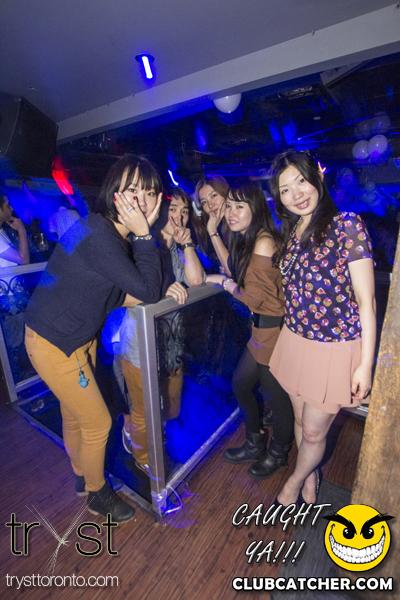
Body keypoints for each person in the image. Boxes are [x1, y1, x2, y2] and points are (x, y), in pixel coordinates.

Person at [24, 154, 163, 523]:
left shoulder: (104, 231)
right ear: (114, 193)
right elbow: (147, 290)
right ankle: (98, 493)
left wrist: (156, 287)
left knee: (74, 415)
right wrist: (145, 235)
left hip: (70, 336)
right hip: (54, 342)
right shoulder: (103, 236)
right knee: (99, 423)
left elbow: (110, 291)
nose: (141, 200)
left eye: (150, 192)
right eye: (132, 190)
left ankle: (82, 477)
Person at [268, 150, 376, 506]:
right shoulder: (291, 232)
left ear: (318, 176)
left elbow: (367, 302)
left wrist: (365, 364)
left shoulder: (347, 225)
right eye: (285, 189)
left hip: (334, 348)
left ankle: (294, 481)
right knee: (300, 419)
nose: (296, 193)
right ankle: (311, 474)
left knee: (314, 432)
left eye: (301, 181)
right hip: (295, 340)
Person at [206, 183, 294, 478]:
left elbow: (252, 297)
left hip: (273, 331)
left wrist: (224, 283)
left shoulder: (264, 241)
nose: (231, 212)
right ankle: (255, 444)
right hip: (260, 331)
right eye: (229, 206)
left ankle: (279, 453)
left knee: (277, 400)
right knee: (241, 385)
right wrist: (213, 232)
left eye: (239, 206)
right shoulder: (252, 239)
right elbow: (236, 270)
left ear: (255, 209)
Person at [120, 186, 204, 472]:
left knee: (169, 405)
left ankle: (157, 440)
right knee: (144, 410)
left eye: (185, 212)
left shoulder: (177, 250)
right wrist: (159, 290)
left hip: (171, 341)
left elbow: (196, 281)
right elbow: (124, 292)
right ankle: (144, 458)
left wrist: (187, 243)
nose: (179, 217)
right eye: (173, 210)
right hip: (141, 343)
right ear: (158, 211)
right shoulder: (141, 246)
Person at [193, 175, 230, 273]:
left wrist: (213, 231)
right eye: (204, 202)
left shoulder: (241, 224)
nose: (210, 205)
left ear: (225, 193)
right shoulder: (211, 227)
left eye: (213, 196)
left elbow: (230, 270)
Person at [0, 192, 30, 268]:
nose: (12, 208)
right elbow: (24, 260)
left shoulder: (2, 230)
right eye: (8, 205)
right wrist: (21, 230)